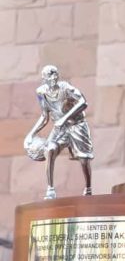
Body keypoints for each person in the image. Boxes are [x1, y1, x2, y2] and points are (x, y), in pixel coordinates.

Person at [24, 65, 94, 200]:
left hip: (77, 125)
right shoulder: (41, 93)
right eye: (49, 76)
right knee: (49, 149)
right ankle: (50, 190)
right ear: (44, 78)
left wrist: (64, 118)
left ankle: (88, 188)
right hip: (60, 128)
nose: (53, 78)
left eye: (55, 75)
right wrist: (31, 134)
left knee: (84, 158)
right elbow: (44, 116)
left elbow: (83, 102)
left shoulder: (65, 88)